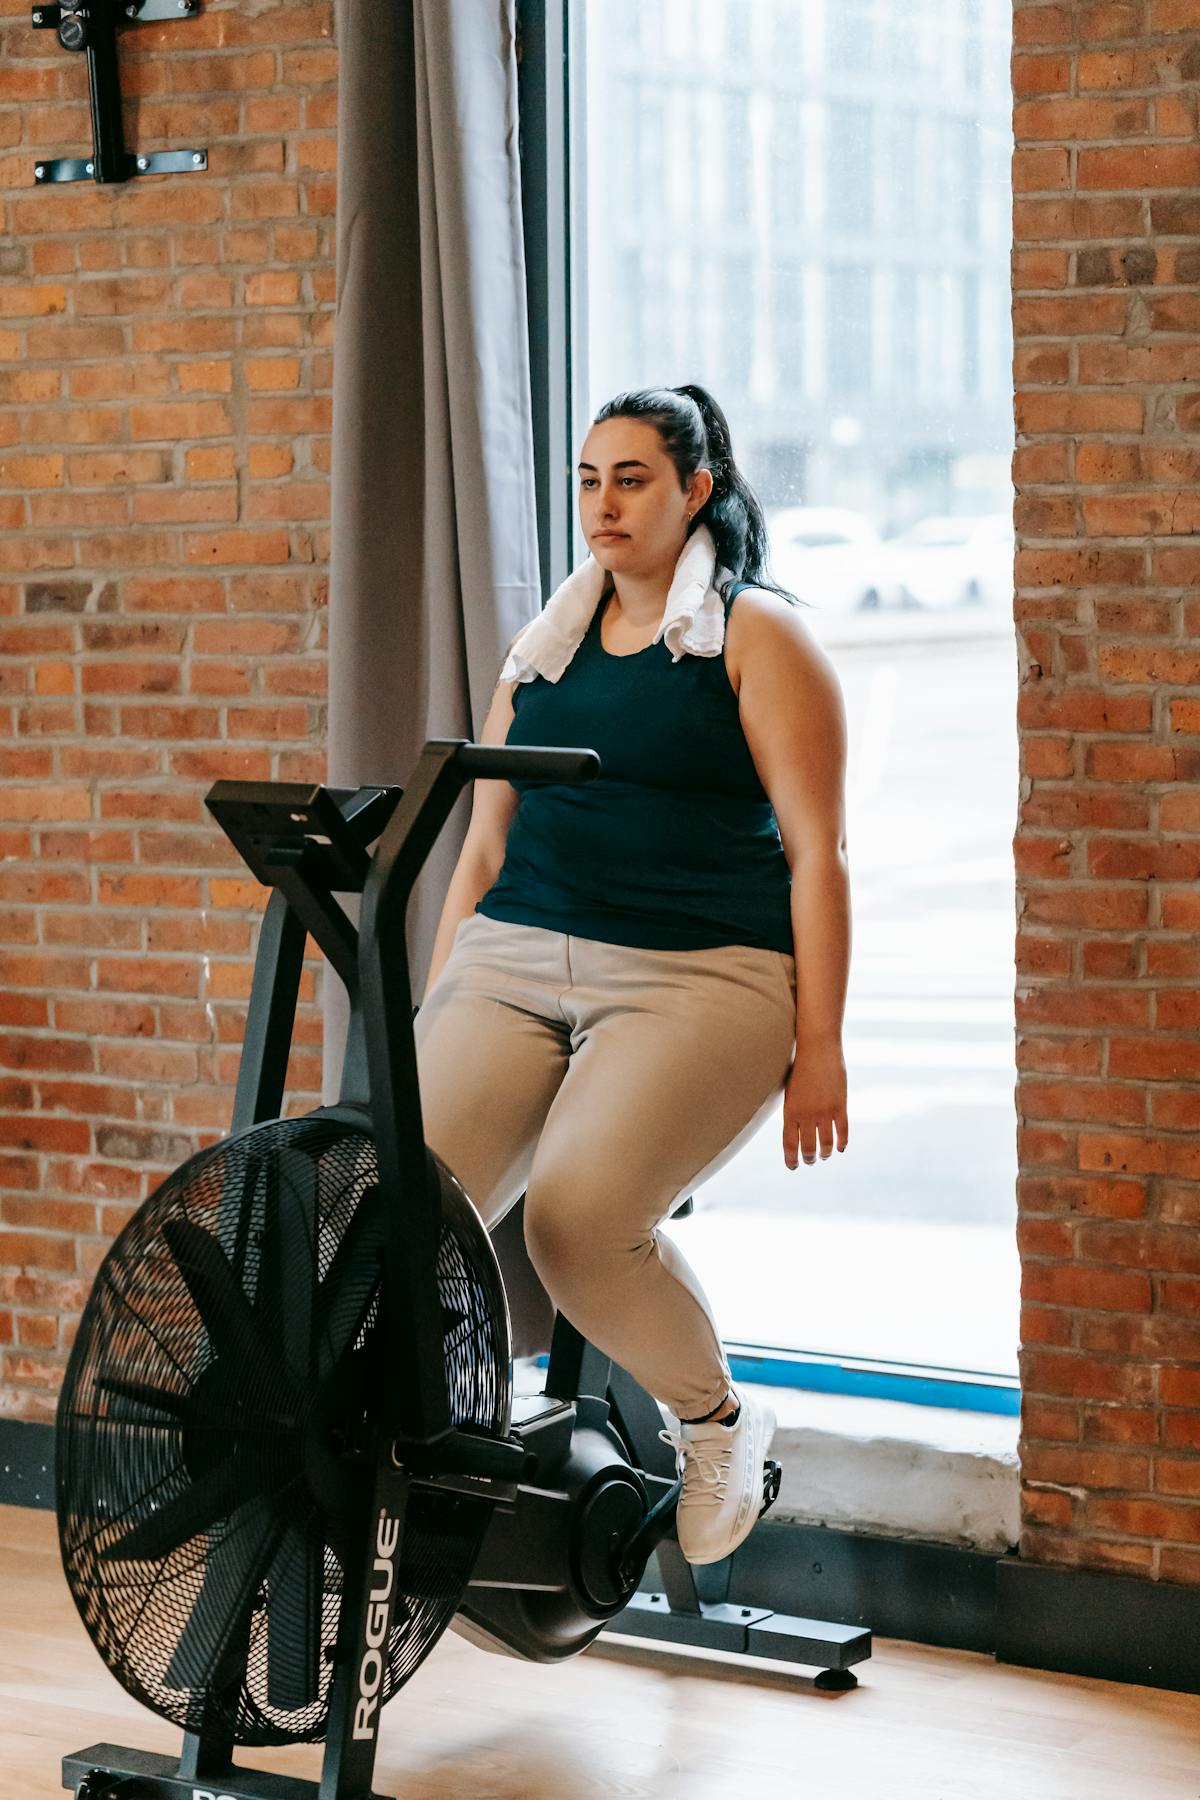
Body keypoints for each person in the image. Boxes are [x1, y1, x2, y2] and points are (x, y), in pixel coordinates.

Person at [413, 383, 851, 1566]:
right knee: (393, 1208)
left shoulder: (760, 637)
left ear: (696, 490)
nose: (605, 505)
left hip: (703, 973)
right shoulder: (544, 649)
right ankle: (429, 1448)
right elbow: (486, 845)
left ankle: (717, 1421)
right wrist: (440, 996)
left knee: (578, 1222)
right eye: (590, 481)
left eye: (635, 479)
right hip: (518, 952)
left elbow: (818, 852)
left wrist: (824, 1046)